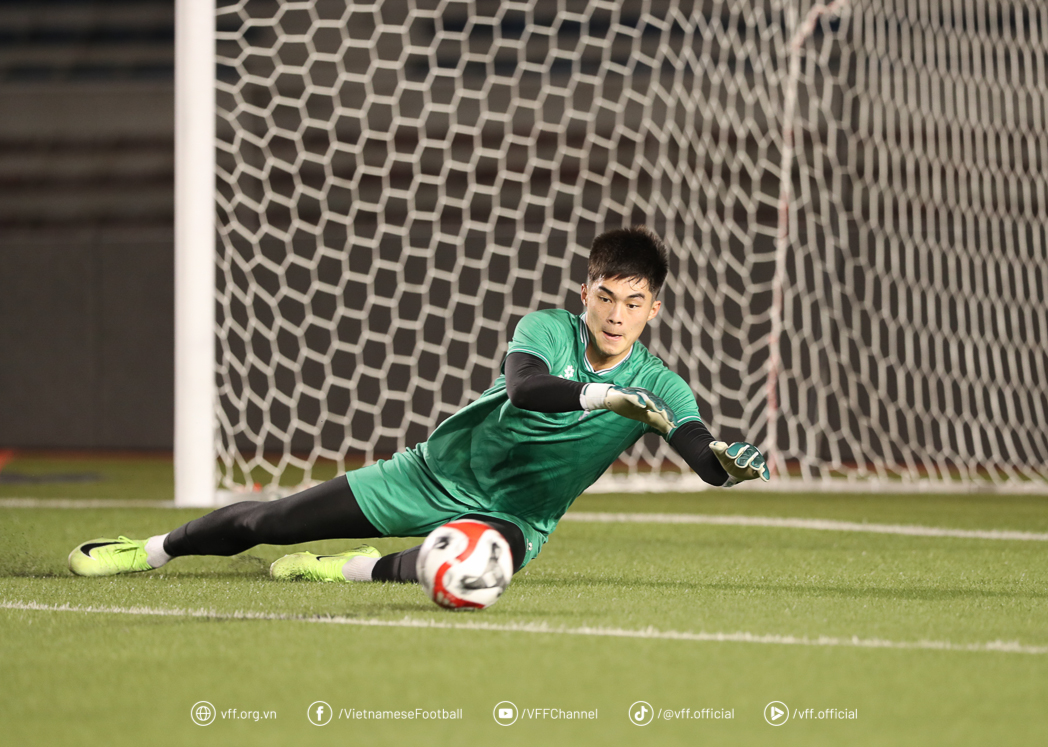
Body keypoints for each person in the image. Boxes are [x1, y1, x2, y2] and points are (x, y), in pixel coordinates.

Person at [68, 227, 770, 583]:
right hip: (433, 472)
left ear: (655, 307)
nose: (618, 314)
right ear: (585, 293)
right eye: (606, 296)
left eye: (634, 302)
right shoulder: (548, 329)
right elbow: (527, 389)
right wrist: (606, 395)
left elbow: (697, 450)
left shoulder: (663, 384)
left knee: (470, 571)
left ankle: (343, 570)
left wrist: (724, 464)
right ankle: (152, 550)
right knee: (275, 519)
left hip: (516, 516)